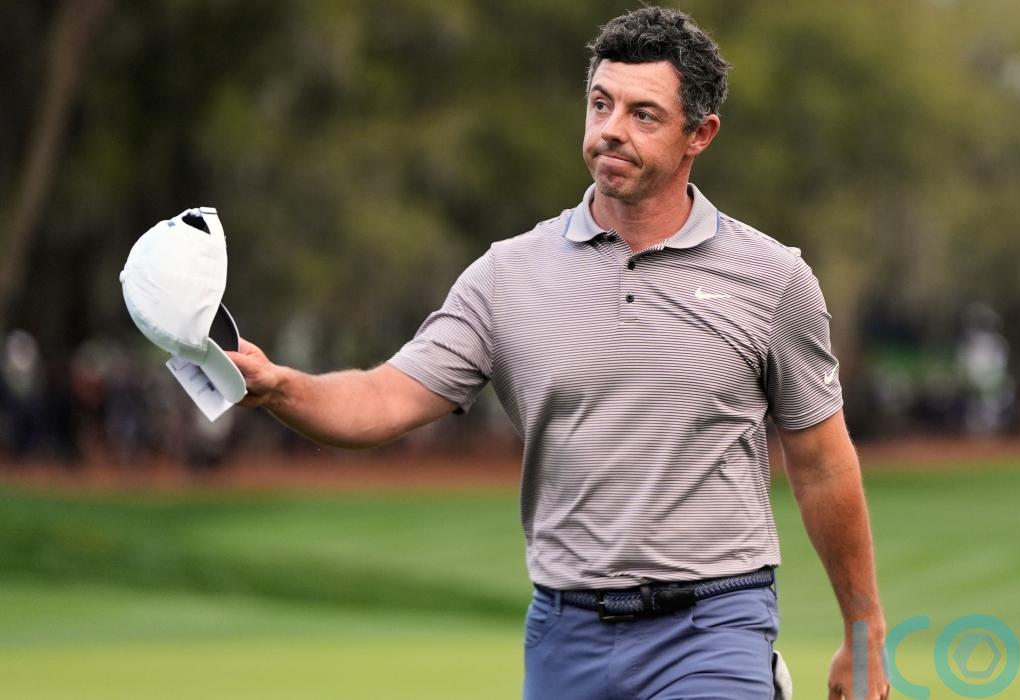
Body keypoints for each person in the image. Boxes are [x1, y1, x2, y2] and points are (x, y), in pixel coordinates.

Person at [228, 7, 889, 699]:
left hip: (712, 623)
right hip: (566, 630)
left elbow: (822, 465)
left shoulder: (771, 279)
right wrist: (281, 387)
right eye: (601, 104)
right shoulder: (507, 276)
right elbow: (382, 399)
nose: (611, 129)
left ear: (700, 134)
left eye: (643, 114)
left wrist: (863, 632)